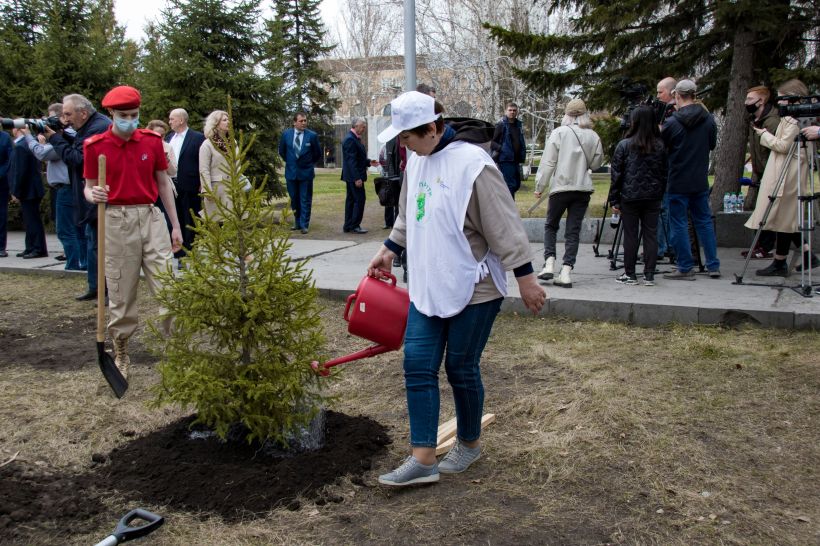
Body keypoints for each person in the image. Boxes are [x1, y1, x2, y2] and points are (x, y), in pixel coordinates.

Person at [368, 91, 547, 487]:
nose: (402, 144)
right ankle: (423, 460)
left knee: (461, 368)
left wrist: (527, 278)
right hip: (429, 283)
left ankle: (468, 443)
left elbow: (504, 225)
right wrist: (388, 249)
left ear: (431, 128)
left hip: (475, 286)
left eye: (407, 136)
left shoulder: (474, 166)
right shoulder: (416, 161)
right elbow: (409, 213)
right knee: (417, 364)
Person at [83, 85, 182, 378]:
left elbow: (163, 183)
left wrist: (174, 225)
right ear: (111, 114)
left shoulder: (151, 142)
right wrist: (94, 194)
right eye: (124, 115)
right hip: (116, 220)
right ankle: (121, 352)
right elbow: (88, 187)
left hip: (150, 217)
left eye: (135, 114)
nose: (130, 119)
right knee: (121, 291)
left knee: (167, 285)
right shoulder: (95, 146)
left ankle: (176, 347)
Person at [747, 79, 818, 276]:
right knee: (784, 218)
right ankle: (794, 257)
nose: (780, 103)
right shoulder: (791, 117)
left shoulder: (794, 120)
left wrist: (764, 135)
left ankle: (786, 260)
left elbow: (784, 146)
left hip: (788, 173)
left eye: (783, 99)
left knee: (784, 217)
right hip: (786, 170)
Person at [45, 93, 111, 300]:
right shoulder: (87, 127)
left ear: (83, 113)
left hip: (99, 195)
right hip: (88, 194)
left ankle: (104, 290)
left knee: (100, 245)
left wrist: (55, 138)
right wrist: (62, 135)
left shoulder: (98, 127)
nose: (65, 119)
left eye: (68, 114)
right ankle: (96, 287)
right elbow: (76, 147)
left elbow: (78, 159)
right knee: (92, 242)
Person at [534, 98, 604, 288]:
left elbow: (548, 163)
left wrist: (539, 187)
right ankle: (566, 271)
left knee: (551, 225)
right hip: (582, 188)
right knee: (573, 231)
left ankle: (549, 262)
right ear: (584, 114)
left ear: (566, 114)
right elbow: (597, 163)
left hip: (560, 187)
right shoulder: (593, 136)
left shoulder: (559, 133)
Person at [660, 79, 721, 280]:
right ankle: (713, 265)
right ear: (694, 95)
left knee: (678, 223)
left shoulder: (672, 122)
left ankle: (685, 266)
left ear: (677, 95)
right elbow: (711, 145)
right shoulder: (708, 119)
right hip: (699, 178)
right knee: (703, 221)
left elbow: (662, 148)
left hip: (678, 178)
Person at [608, 106, 668, 286]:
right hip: (653, 196)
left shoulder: (625, 145)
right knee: (651, 234)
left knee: (630, 235)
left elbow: (616, 175)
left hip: (630, 195)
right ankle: (649, 274)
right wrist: (660, 192)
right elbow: (664, 172)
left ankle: (630, 273)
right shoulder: (659, 146)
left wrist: (614, 199)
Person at [24, 104, 82, 269]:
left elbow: (42, 153)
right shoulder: (68, 136)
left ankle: (73, 265)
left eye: (50, 119)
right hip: (66, 187)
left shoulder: (65, 138)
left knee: (66, 230)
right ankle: (79, 263)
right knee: (74, 229)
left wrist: (29, 136)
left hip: (66, 188)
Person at [743, 85, 780, 258]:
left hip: (772, 171)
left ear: (761, 100)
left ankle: (766, 246)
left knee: (769, 210)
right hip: (762, 169)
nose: (746, 102)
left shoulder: (771, 121)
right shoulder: (755, 120)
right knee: (763, 209)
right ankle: (762, 245)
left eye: (750, 99)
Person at [166, 108, 205, 260]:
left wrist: (202, 182)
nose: (170, 122)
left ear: (181, 120)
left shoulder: (197, 138)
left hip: (190, 183)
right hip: (172, 184)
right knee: (176, 218)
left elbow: (202, 162)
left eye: (172, 119)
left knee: (191, 217)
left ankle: (191, 250)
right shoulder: (170, 138)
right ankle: (179, 252)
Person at [278, 112, 321, 234]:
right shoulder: (286, 134)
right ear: (294, 122)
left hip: (306, 173)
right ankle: (297, 222)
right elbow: (282, 151)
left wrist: (307, 164)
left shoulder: (312, 136)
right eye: (301, 121)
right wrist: (291, 163)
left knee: (305, 199)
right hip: (291, 173)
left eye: (305, 121)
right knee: (294, 198)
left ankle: (304, 224)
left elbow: (317, 153)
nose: (303, 123)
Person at [9, 128, 48, 258]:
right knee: (30, 219)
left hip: (28, 188)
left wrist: (16, 190)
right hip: (31, 187)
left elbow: (20, 171)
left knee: (32, 220)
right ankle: (31, 246)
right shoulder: (26, 144)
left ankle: (37, 248)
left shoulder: (21, 146)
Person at [655, 76, 677, 261]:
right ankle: (664, 246)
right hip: (667, 165)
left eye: (660, 92)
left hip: (670, 165)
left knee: (665, 207)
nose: (657, 96)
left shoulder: (673, 114)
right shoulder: (663, 110)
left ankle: (663, 246)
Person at [198, 110, 234, 220]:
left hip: (233, 189)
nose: (228, 122)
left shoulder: (233, 142)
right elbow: (204, 169)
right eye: (224, 120)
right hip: (216, 190)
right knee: (218, 223)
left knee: (234, 223)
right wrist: (207, 190)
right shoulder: (207, 144)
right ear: (216, 123)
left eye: (228, 119)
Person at [341, 117, 375, 234]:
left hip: (351, 176)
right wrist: (357, 178)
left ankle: (348, 225)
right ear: (355, 126)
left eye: (364, 126)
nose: (364, 129)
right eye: (363, 126)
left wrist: (369, 162)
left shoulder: (354, 138)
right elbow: (351, 161)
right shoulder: (351, 139)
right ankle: (355, 225)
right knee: (359, 200)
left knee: (351, 200)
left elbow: (358, 158)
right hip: (354, 176)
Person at [491, 102, 527, 198]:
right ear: (505, 111)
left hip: (516, 160)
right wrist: (502, 149)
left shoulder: (519, 125)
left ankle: (504, 204)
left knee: (516, 185)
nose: (512, 112)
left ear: (517, 112)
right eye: (510, 110)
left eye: (514, 110)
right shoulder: (501, 125)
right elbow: (492, 142)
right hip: (505, 160)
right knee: (510, 185)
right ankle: (510, 210)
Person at [0, 129, 13, 257]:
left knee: (1, 215)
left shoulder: (5, 137)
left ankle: (1, 247)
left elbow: (9, 160)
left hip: (1, 182)